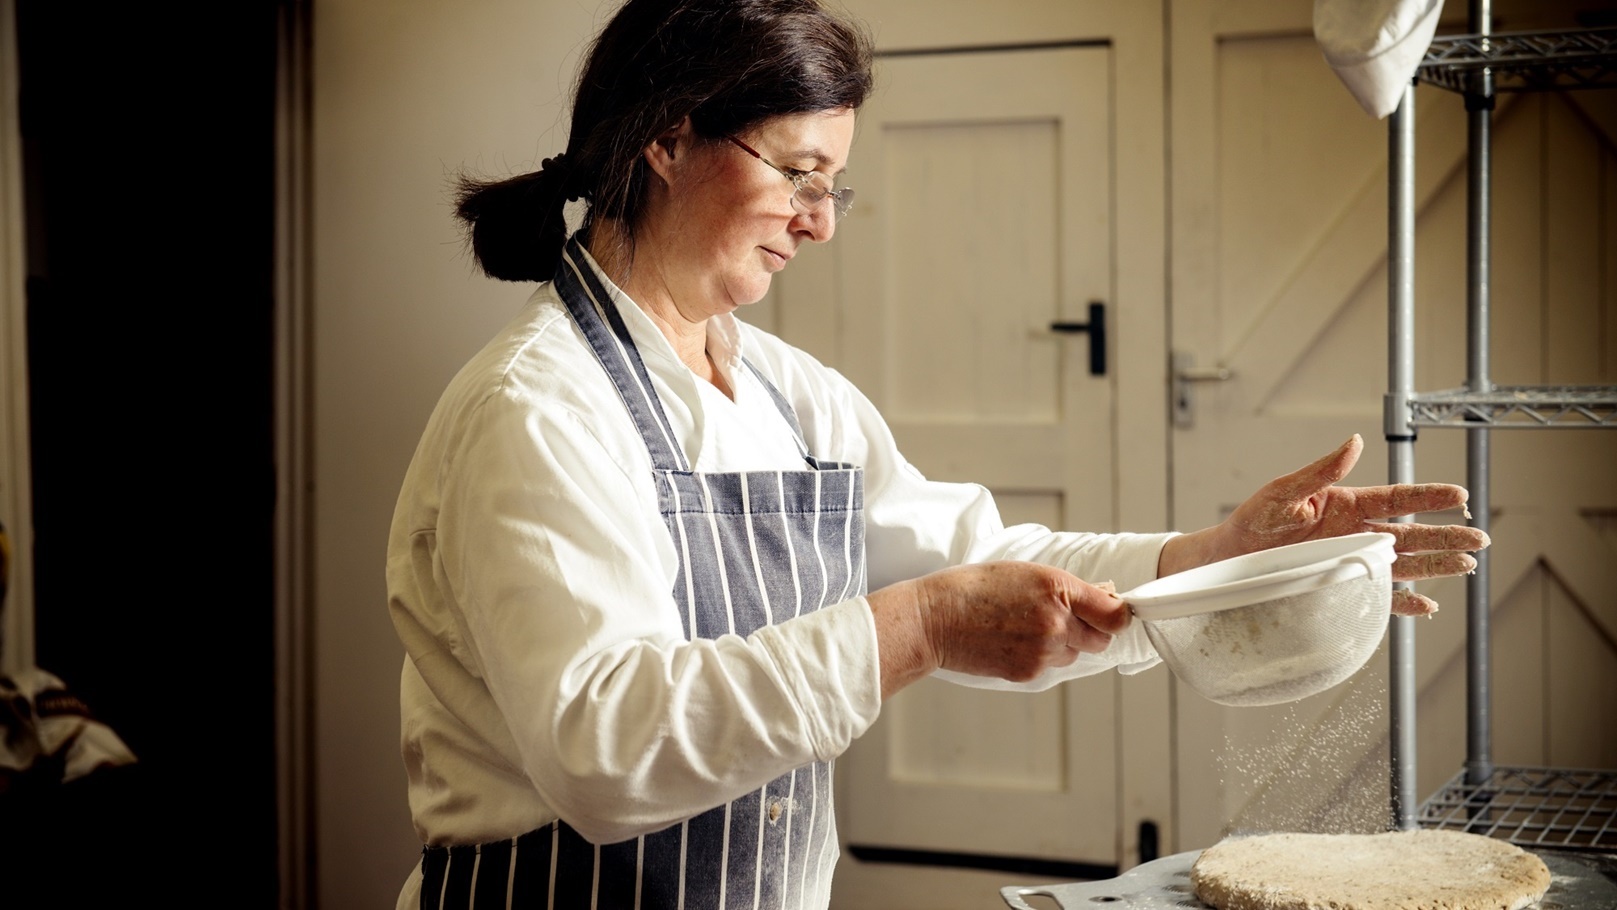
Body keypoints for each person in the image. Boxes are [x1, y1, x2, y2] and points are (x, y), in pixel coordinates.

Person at [385, 1, 1488, 907]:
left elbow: (984, 550)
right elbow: (605, 745)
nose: (820, 222)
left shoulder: (789, 394)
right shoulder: (538, 410)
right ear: (668, 137)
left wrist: (1221, 557)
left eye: (835, 187)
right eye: (799, 174)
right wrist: (923, 625)